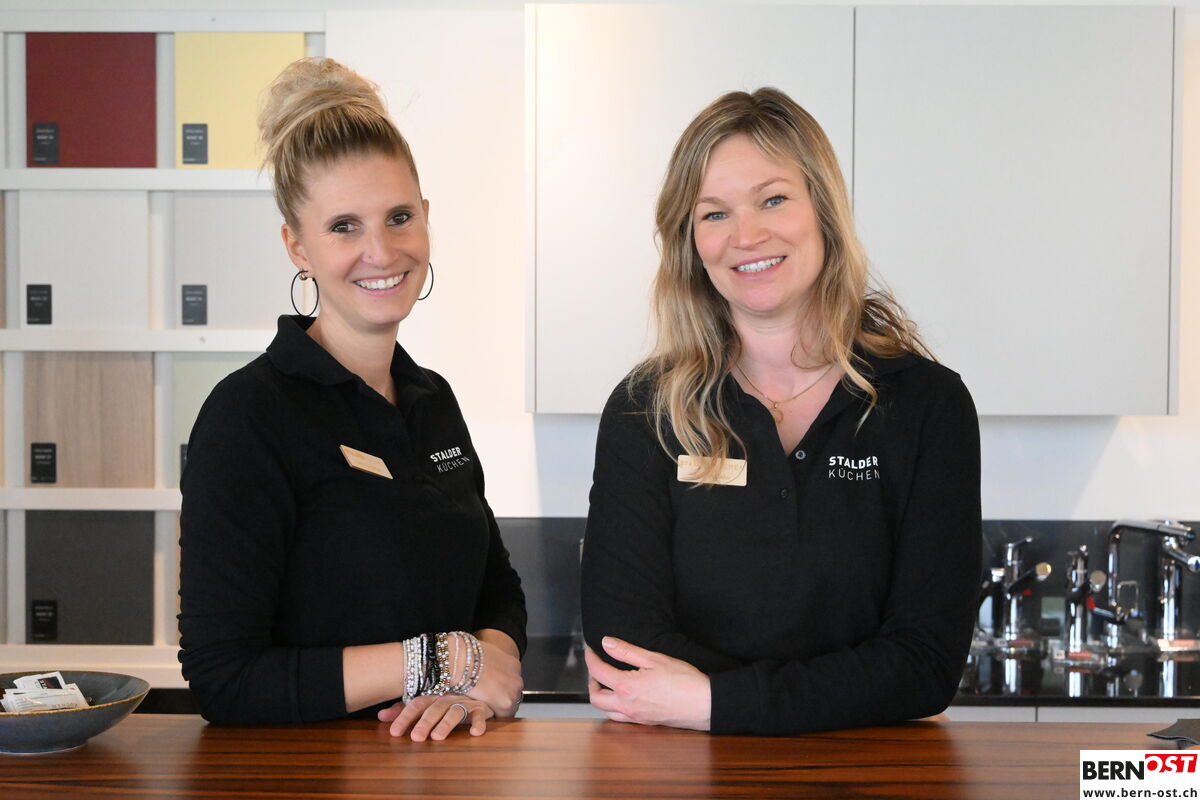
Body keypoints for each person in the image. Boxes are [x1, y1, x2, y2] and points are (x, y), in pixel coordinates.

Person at [580, 87, 981, 735]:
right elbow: (624, 647)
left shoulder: (927, 406)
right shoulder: (645, 410)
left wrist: (713, 702)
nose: (746, 236)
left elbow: (925, 665)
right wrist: (837, 690)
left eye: (773, 200)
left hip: (870, 772)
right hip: (686, 772)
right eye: (714, 214)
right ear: (690, 241)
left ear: (823, 209)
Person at [178, 58, 526, 741]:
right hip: (307, 778)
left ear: (426, 219)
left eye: (399, 217)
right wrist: (441, 662)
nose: (381, 251)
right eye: (344, 226)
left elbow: (497, 589)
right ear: (297, 246)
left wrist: (485, 681)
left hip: (443, 769)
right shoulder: (248, 417)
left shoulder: (433, 400)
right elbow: (225, 679)